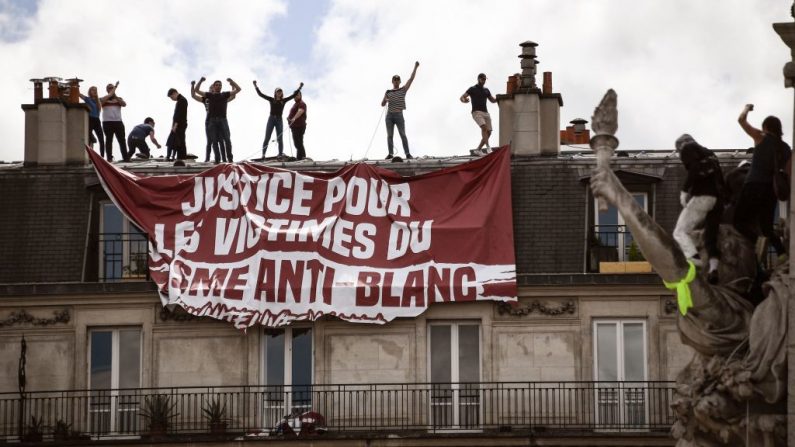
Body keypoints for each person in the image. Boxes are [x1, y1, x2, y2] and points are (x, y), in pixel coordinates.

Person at [733, 104, 791, 258]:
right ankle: (781, 254)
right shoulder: (786, 149)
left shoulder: (761, 136)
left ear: (765, 127)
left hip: (753, 185)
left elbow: (741, 120)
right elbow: (789, 174)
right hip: (771, 191)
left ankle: (757, 241)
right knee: (767, 227)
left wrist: (746, 108)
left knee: (738, 221)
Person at [672, 134, 725, 283]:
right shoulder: (711, 154)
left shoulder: (687, 148)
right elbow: (720, 179)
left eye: (677, 151)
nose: (680, 155)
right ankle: (713, 268)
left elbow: (694, 169)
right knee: (710, 237)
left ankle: (694, 260)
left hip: (703, 196)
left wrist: (684, 190)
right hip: (717, 200)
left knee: (679, 231)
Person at [194, 77, 241, 162]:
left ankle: (230, 159)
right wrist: (200, 81)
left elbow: (238, 89)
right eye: (216, 85)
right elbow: (196, 91)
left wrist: (232, 82)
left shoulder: (224, 94)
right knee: (214, 141)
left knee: (227, 139)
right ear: (214, 87)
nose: (218, 86)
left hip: (223, 120)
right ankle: (217, 160)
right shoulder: (209, 95)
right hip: (212, 121)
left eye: (220, 85)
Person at [254, 81, 303, 159]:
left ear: (282, 93)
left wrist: (300, 87)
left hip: (279, 120)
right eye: (278, 91)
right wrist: (255, 86)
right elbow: (261, 94)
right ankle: (263, 154)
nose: (279, 93)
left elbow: (293, 95)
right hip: (271, 119)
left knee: (280, 138)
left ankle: (280, 154)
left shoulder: (283, 100)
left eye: (280, 91)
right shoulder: (271, 99)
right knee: (267, 137)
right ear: (275, 93)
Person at [381, 62, 419, 160]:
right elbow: (382, 104)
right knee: (389, 135)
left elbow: (411, 79)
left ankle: (407, 153)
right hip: (389, 116)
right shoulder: (388, 92)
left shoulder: (403, 90)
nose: (396, 81)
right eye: (395, 80)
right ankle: (390, 154)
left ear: (400, 81)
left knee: (403, 134)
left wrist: (415, 67)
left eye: (398, 80)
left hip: (399, 115)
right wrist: (386, 100)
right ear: (392, 81)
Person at [191, 80, 228, 163]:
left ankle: (224, 159)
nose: (211, 90)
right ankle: (207, 158)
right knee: (210, 141)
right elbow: (193, 95)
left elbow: (230, 97)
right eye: (210, 88)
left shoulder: (220, 98)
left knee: (221, 140)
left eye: (212, 88)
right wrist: (193, 85)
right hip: (209, 120)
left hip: (219, 119)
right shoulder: (206, 98)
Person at [460, 73, 497, 154]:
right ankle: (488, 148)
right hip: (476, 112)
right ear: (478, 79)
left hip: (486, 113)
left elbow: (492, 100)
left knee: (489, 132)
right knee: (484, 128)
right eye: (482, 79)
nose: (484, 81)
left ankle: (478, 149)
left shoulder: (486, 90)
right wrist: (464, 100)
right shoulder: (472, 89)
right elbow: (462, 97)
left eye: (485, 79)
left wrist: (500, 98)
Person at [101, 82, 127, 161]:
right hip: (107, 122)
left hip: (118, 122)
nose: (111, 89)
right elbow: (100, 102)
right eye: (109, 88)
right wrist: (110, 95)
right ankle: (109, 158)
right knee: (109, 140)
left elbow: (124, 104)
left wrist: (115, 96)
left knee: (122, 140)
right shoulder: (103, 99)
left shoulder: (119, 98)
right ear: (107, 90)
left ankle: (126, 158)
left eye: (112, 88)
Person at [80, 86, 105, 159]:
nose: (94, 91)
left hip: (97, 120)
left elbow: (109, 95)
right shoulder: (87, 99)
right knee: (88, 138)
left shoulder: (99, 100)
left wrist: (115, 87)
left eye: (95, 90)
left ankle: (102, 156)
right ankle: (88, 155)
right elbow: (79, 94)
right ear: (89, 91)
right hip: (90, 119)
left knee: (101, 138)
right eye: (92, 90)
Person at [167, 88, 188, 164]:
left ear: (174, 93)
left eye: (171, 97)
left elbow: (179, 114)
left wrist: (175, 125)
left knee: (180, 142)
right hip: (180, 124)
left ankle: (181, 158)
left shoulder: (182, 100)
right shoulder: (181, 100)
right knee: (178, 141)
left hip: (179, 125)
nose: (172, 99)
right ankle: (180, 158)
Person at [287, 90, 308, 160]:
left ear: (300, 96)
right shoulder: (295, 104)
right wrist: (289, 119)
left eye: (297, 95)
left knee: (298, 143)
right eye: (295, 95)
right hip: (294, 126)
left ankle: (303, 158)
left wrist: (293, 118)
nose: (296, 96)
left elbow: (300, 111)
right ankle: (300, 158)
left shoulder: (302, 103)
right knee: (299, 143)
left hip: (299, 126)